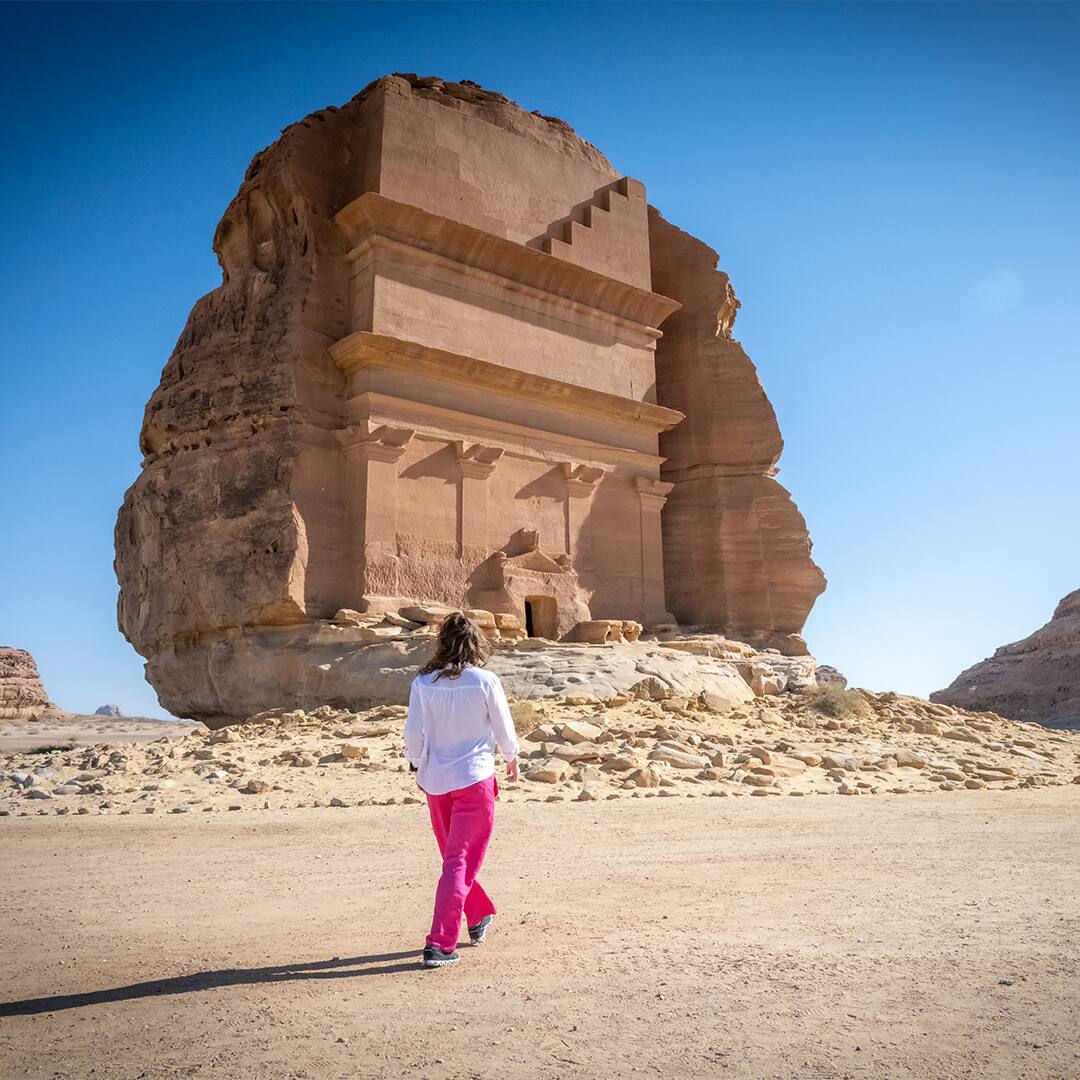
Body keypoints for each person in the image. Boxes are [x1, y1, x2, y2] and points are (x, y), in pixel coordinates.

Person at [404, 611, 519, 968]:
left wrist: (415, 761)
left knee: (455, 860)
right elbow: (503, 724)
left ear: (442, 643)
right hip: (474, 781)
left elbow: (413, 733)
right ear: (475, 644)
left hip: (435, 783)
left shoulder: (423, 683)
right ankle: (440, 943)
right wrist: (511, 756)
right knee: (459, 862)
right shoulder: (485, 681)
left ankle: (479, 912)